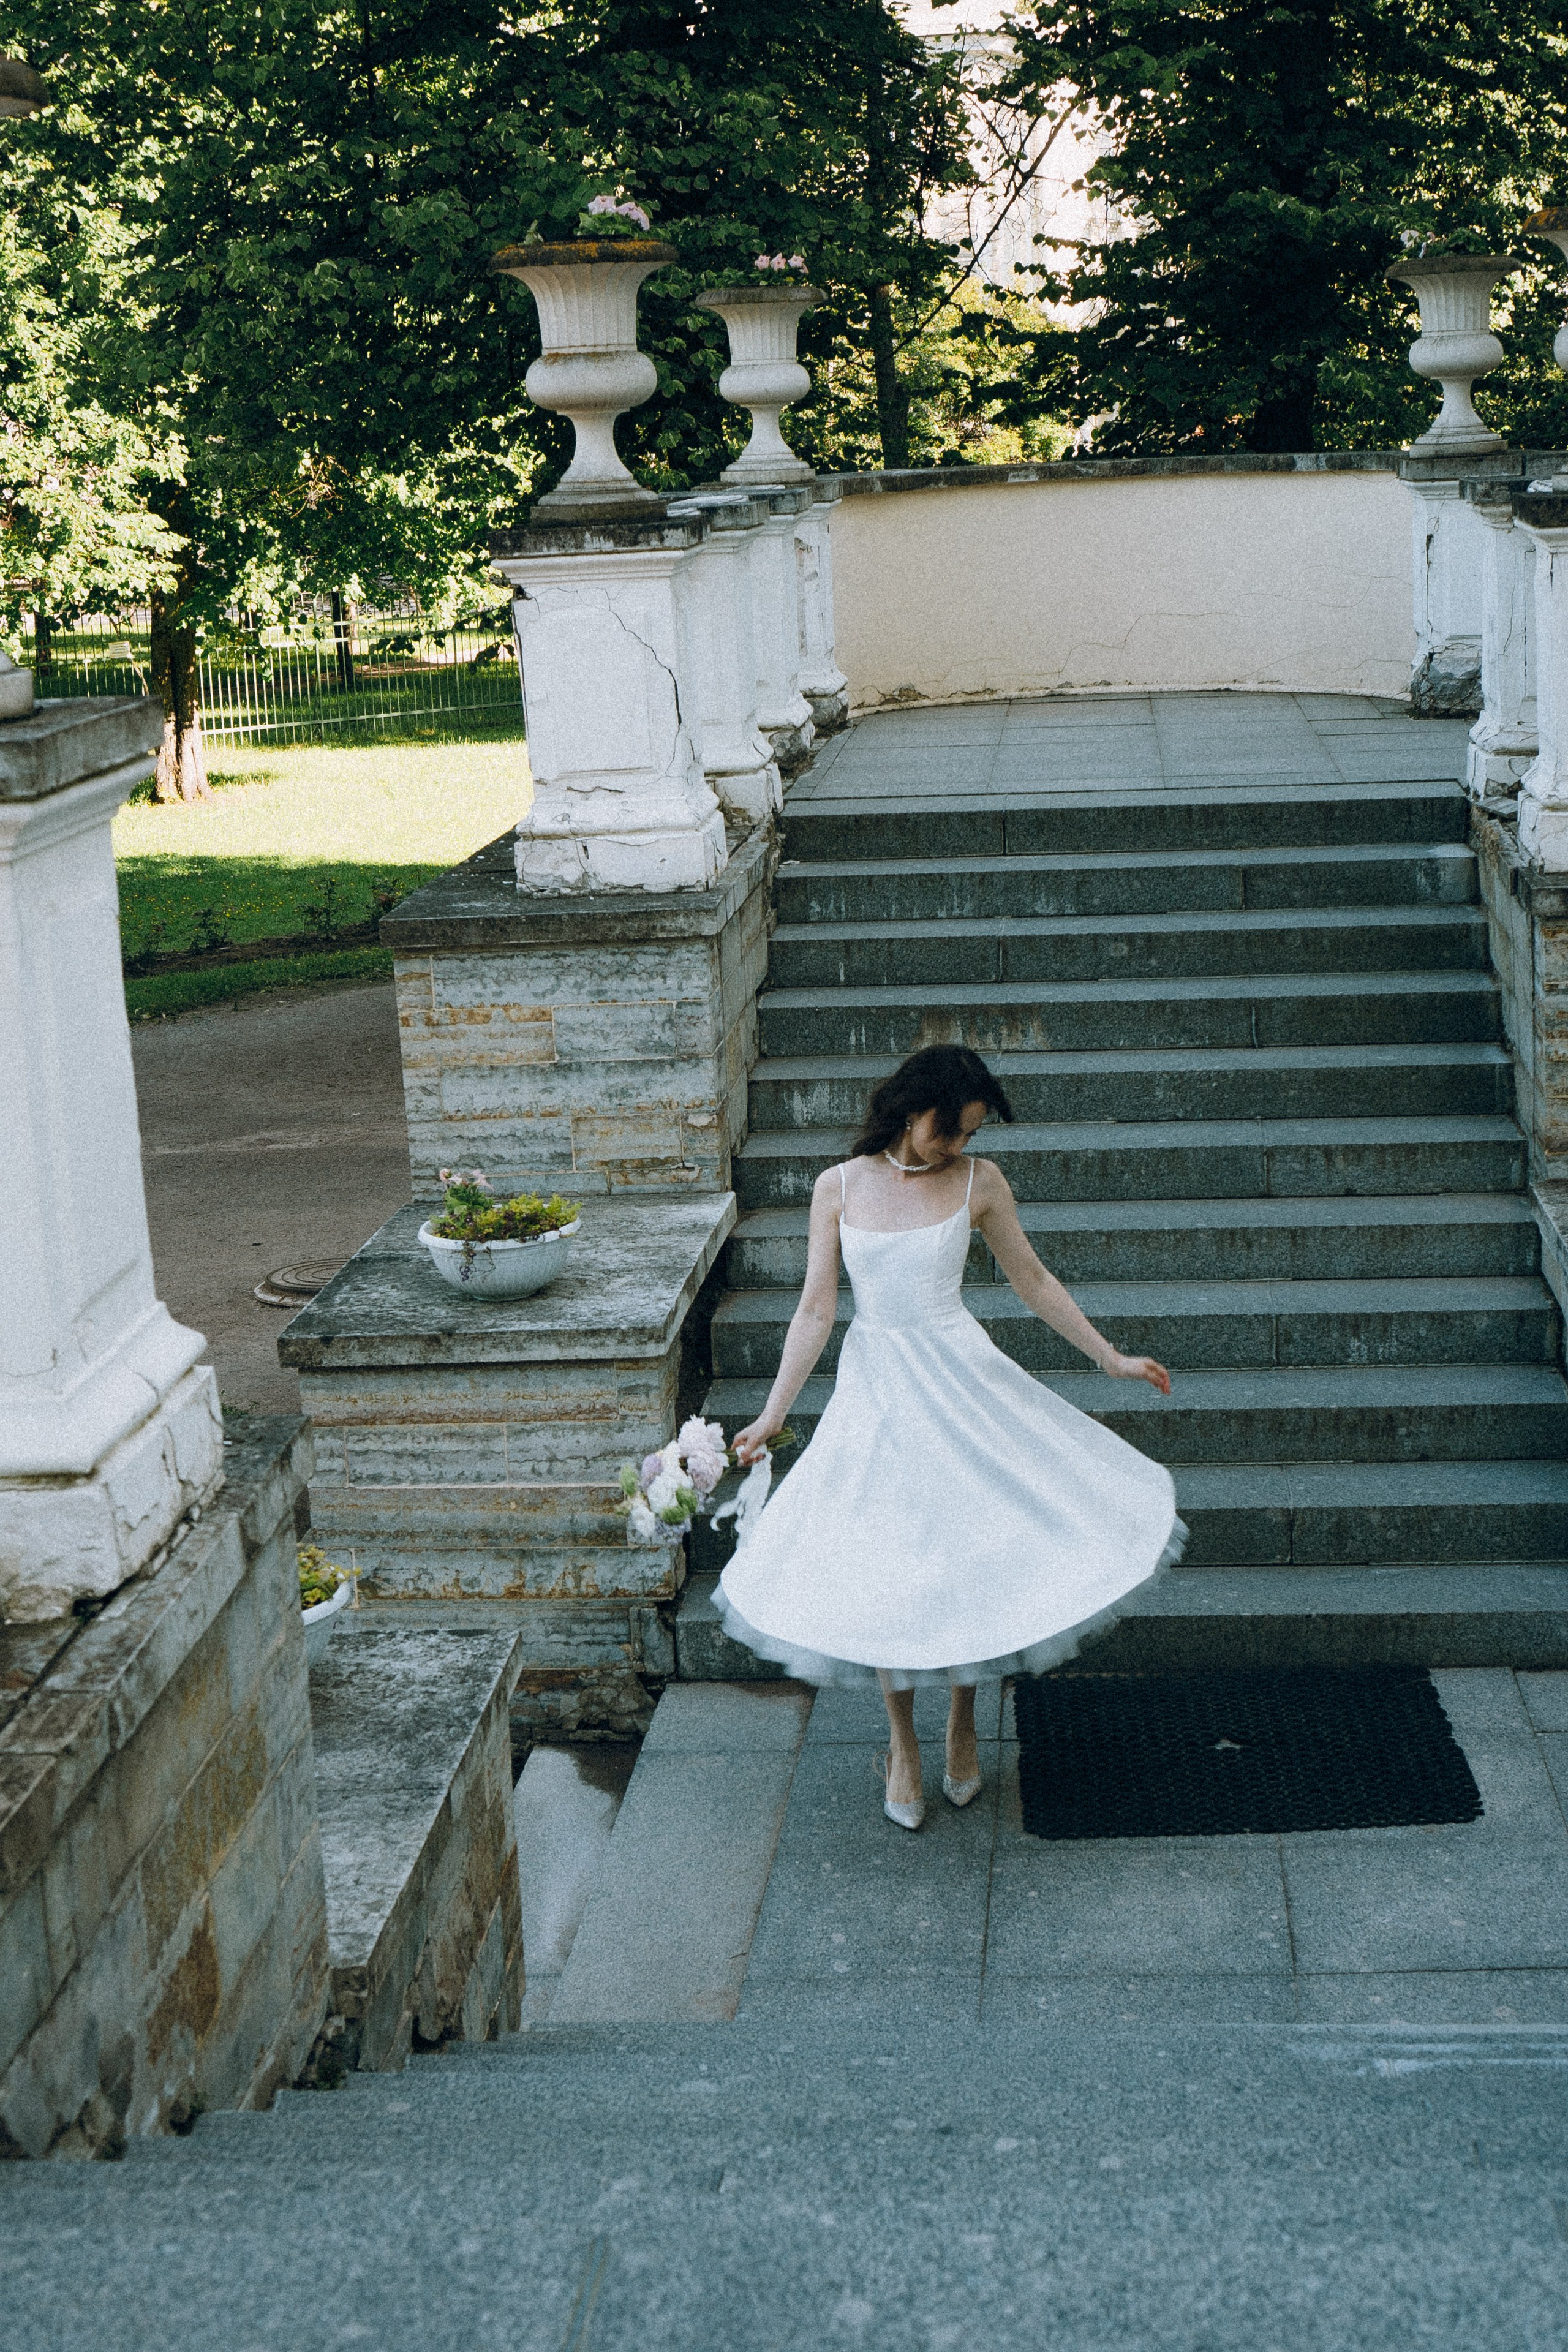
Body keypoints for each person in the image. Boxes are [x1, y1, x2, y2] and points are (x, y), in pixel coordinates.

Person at [718, 1042, 1185, 1830]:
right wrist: (771, 1414)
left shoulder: (979, 1182)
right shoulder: (837, 1187)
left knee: (974, 1547)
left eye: (969, 1133)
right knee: (888, 1562)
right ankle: (901, 1744)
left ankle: (963, 1723)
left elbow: (1031, 1279)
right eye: (949, 1130)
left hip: (963, 1379)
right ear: (910, 1111)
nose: (957, 1146)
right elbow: (815, 1309)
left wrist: (1108, 1357)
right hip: (879, 1389)